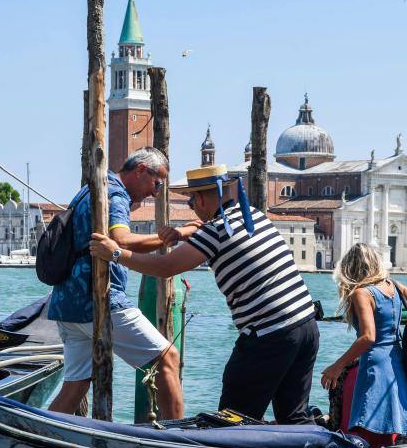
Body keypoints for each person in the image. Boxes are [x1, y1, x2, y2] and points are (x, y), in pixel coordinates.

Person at [89, 164, 319, 424]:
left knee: (232, 420)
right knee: (294, 417)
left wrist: (116, 254)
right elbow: (205, 234)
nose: (191, 206)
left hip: (268, 335)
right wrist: (182, 232)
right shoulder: (252, 215)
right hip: (305, 326)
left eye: (190, 201)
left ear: (199, 199)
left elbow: (166, 268)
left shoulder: (216, 231)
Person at [47, 147, 184, 420]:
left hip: (65, 303)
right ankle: (179, 440)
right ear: (141, 170)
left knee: (76, 385)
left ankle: (36, 436)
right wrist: (170, 237)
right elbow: (120, 241)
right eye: (157, 183)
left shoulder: (92, 188)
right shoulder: (116, 194)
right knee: (168, 358)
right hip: (99, 299)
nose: (156, 193)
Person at [320, 243, 407, 448]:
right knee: (387, 430)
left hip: (375, 365)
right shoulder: (395, 286)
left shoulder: (361, 293)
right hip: (398, 364)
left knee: (370, 432)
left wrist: (337, 366)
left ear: (350, 269)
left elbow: (368, 337)